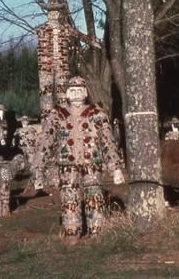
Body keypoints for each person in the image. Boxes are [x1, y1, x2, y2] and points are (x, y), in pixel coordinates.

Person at [43, 76, 125, 244]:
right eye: (72, 91)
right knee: (69, 197)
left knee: (94, 196)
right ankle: (71, 231)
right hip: (67, 164)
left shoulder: (96, 113)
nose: (76, 94)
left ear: (86, 93)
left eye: (80, 90)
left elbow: (108, 141)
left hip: (92, 163)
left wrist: (115, 167)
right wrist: (39, 167)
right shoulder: (57, 114)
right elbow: (46, 140)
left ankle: (97, 230)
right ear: (66, 94)